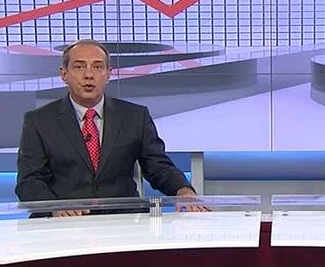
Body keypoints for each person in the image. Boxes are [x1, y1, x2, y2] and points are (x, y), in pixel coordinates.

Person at [15, 39, 197, 216]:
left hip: (124, 221)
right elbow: (29, 181)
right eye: (79, 67)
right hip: (65, 223)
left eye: (97, 67)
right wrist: (56, 208)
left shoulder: (134, 116)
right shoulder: (39, 121)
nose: (89, 75)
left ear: (108, 74)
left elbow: (158, 167)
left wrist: (183, 190)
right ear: (64, 74)